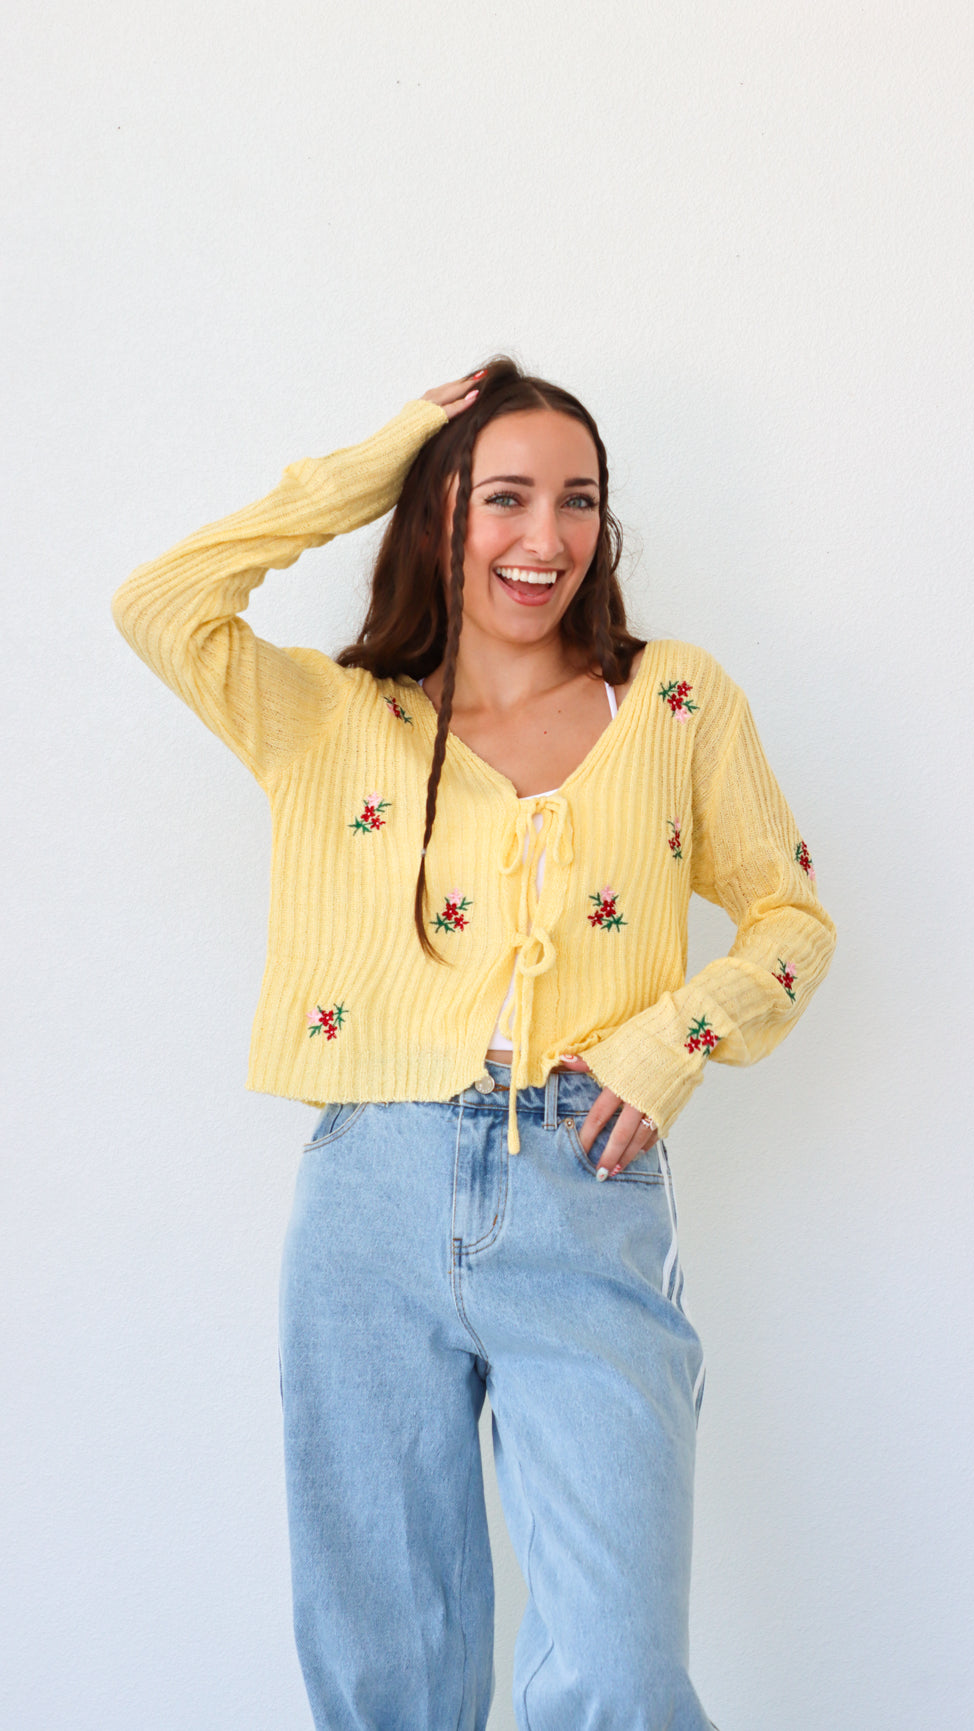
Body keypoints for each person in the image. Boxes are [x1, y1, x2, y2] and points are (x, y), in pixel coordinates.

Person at [111, 356, 836, 1730]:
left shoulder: (673, 700)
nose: (545, 537)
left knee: (617, 1675)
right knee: (387, 1669)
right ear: (437, 514)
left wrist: (674, 1038)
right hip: (365, 1200)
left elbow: (789, 918)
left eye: (578, 502)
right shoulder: (326, 715)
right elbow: (157, 602)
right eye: (503, 497)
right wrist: (380, 453)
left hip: (587, 1185)